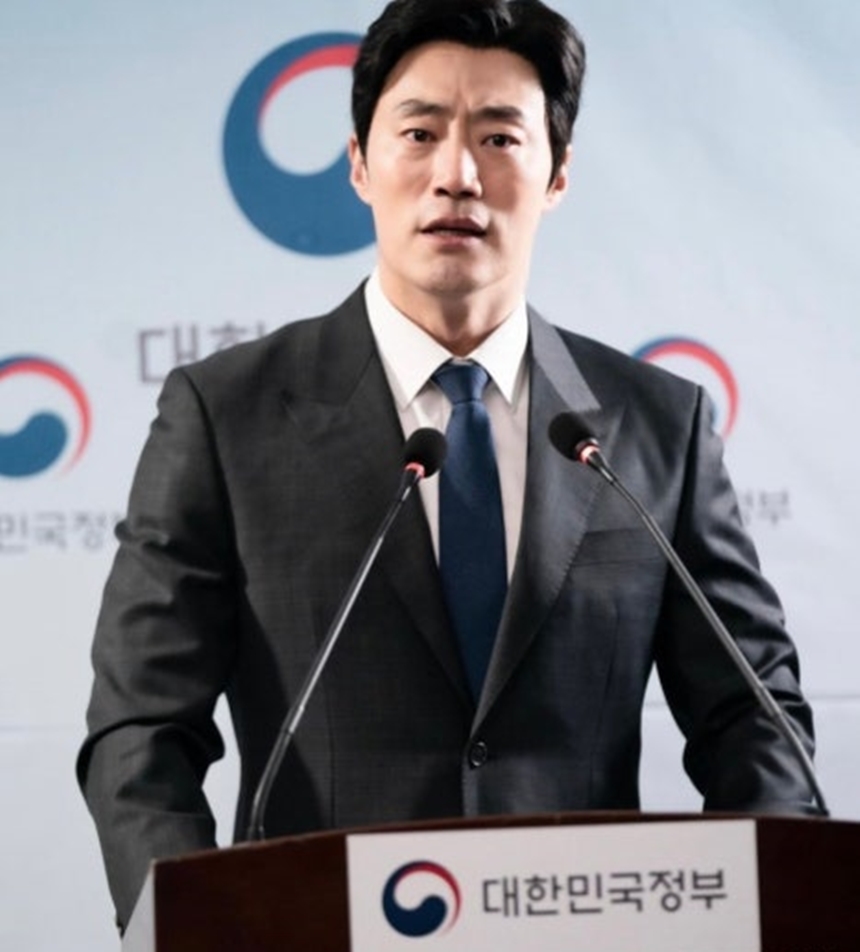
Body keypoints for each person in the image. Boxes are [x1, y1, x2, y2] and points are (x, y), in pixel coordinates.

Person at [78, 0, 818, 932]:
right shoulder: (227, 415)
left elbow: (754, 716)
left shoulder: (656, 424)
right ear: (359, 163)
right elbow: (142, 726)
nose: (457, 175)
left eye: (499, 138)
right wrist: (196, 926)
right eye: (419, 133)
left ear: (558, 174)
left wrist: (767, 913)